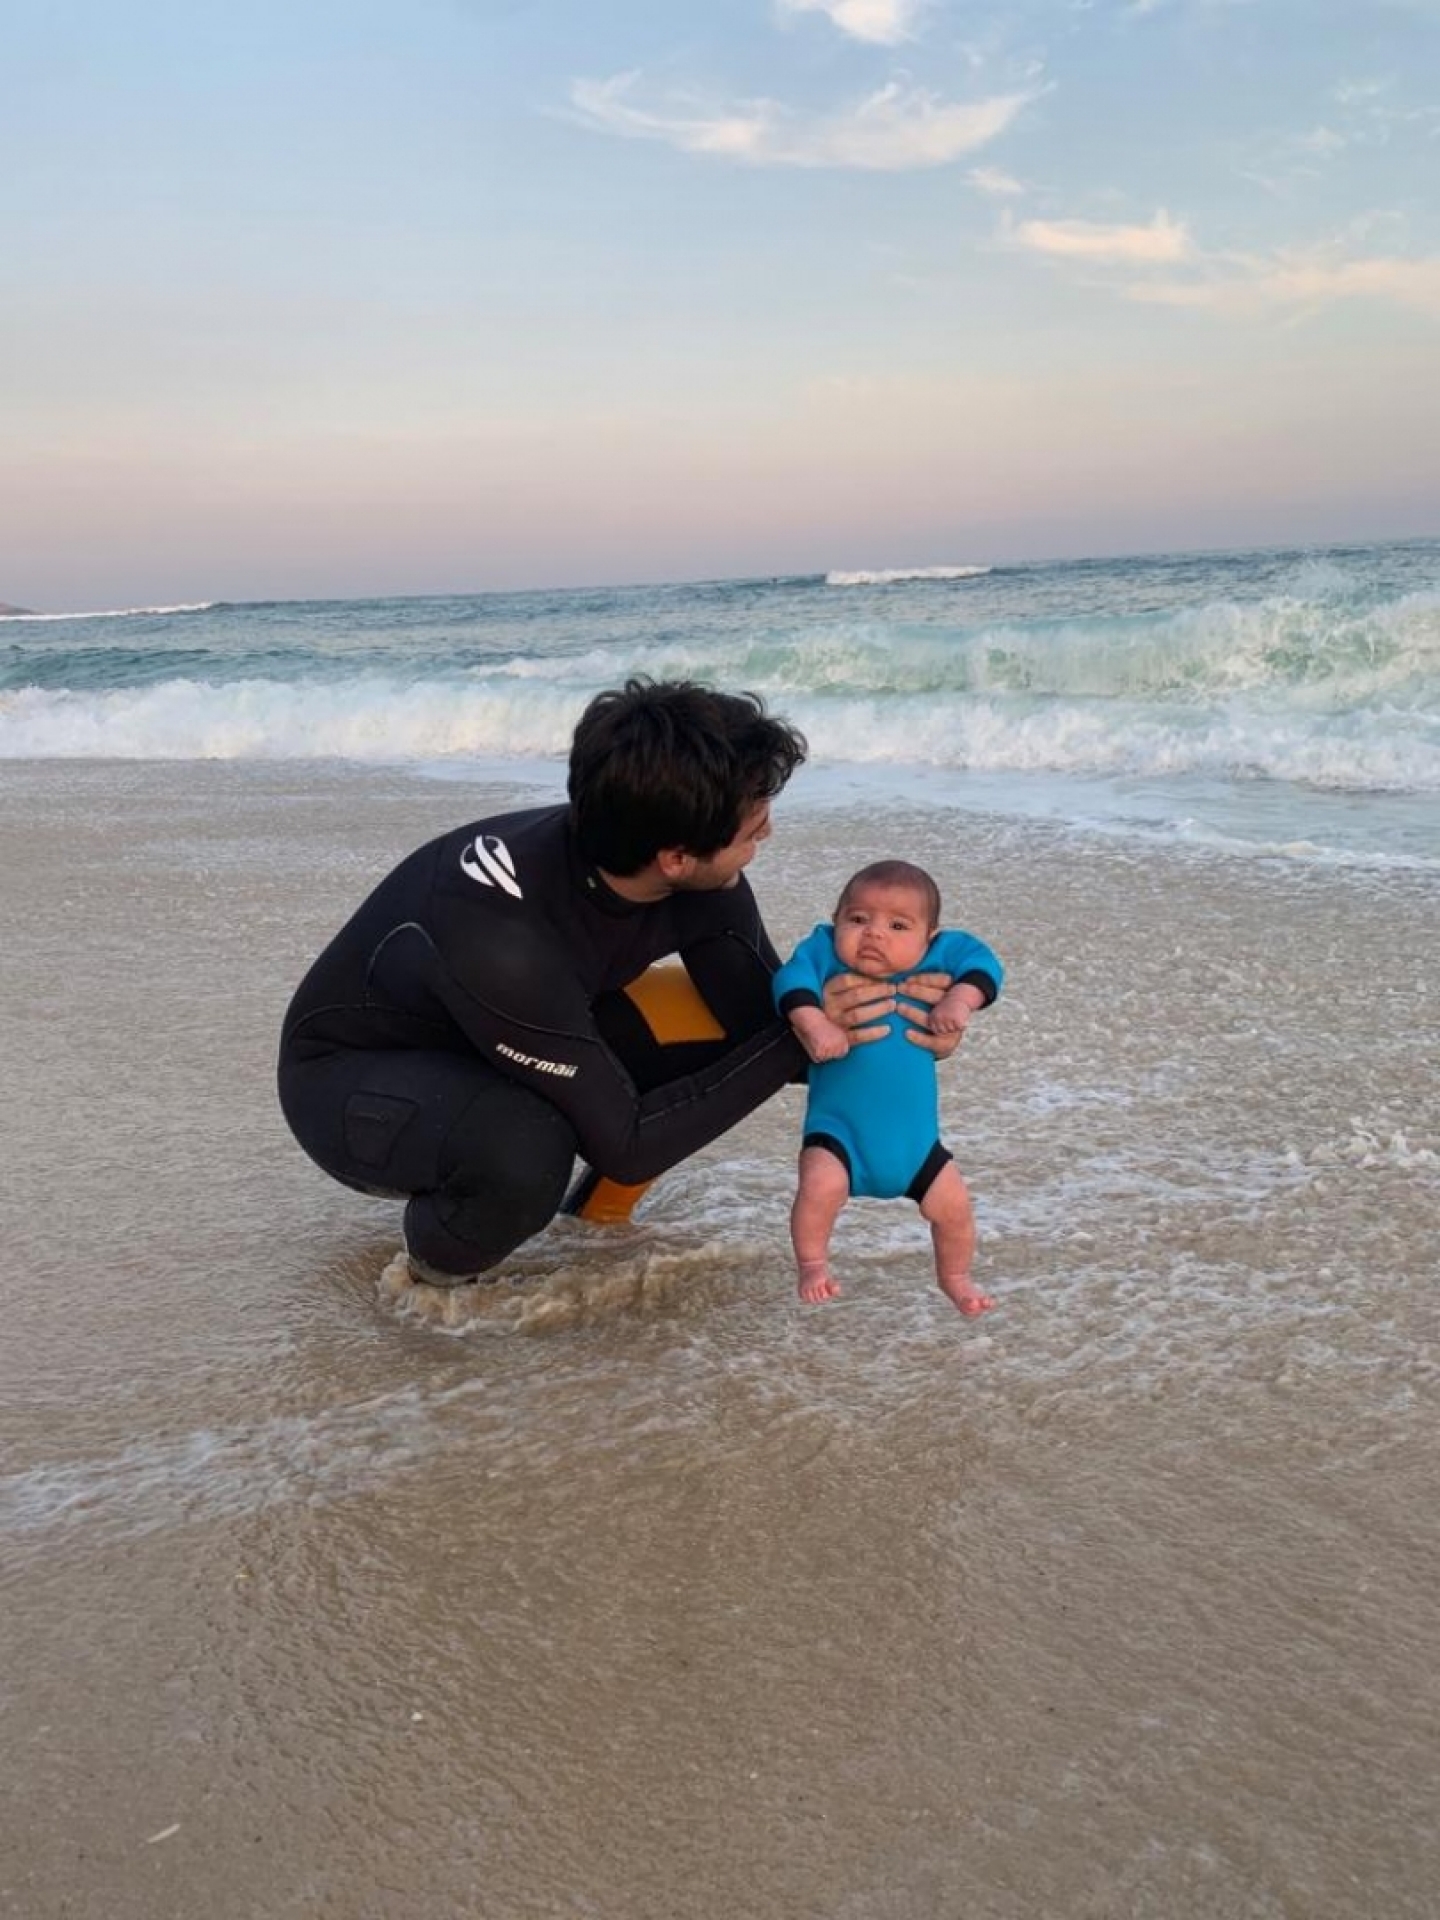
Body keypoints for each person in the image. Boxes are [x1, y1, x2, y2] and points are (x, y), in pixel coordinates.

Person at [277, 680, 964, 1286]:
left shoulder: (691, 868)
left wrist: (901, 1024)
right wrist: (802, 1038)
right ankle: (438, 1272)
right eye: (753, 830)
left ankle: (591, 1225)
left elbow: (764, 1028)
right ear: (675, 857)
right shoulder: (503, 941)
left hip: (521, 1026)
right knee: (526, 1151)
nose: (768, 835)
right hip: (355, 1080)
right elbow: (632, 1144)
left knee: (728, 1032)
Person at [773, 859, 1003, 1315]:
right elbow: (790, 980)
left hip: (918, 1148)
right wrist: (814, 1022)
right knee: (818, 1187)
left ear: (929, 937)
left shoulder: (942, 955)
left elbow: (985, 964)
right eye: (858, 919)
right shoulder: (823, 952)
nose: (874, 933)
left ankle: (955, 1276)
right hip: (838, 1137)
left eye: (898, 925)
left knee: (955, 1208)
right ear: (835, 921)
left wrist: (961, 999)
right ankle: (813, 1265)